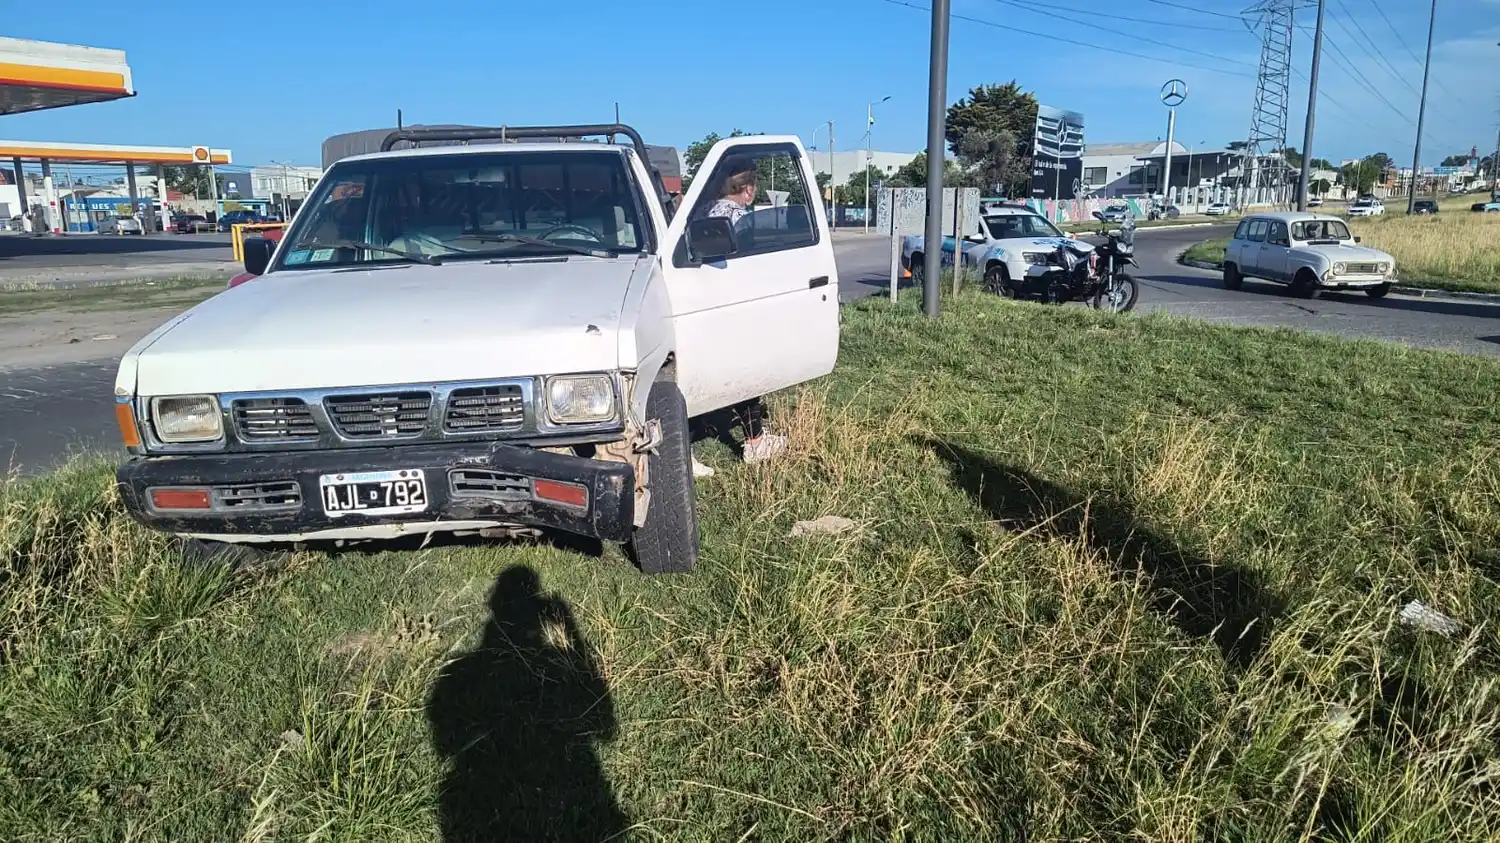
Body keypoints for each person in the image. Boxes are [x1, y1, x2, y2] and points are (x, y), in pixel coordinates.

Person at [691, 158, 788, 478]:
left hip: (699, 298)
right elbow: (753, 264)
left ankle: (744, 436)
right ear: (748, 190)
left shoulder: (703, 210)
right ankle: (753, 441)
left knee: (701, 371)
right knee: (745, 369)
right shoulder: (740, 218)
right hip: (731, 303)